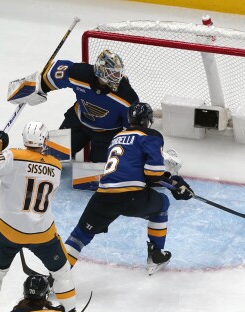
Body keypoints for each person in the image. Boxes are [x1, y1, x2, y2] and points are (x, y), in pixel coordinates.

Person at [0, 122, 90, 312]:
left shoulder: (13, 157)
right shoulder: (55, 166)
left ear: (25, 138)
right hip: (41, 233)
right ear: (44, 141)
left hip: (8, 230)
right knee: (61, 272)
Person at [63, 102, 193, 275]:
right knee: (162, 204)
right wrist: (173, 186)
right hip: (132, 198)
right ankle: (156, 255)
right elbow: (152, 174)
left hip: (102, 197)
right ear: (148, 120)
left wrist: (171, 182)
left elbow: (132, 170)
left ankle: (56, 277)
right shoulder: (151, 135)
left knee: (79, 236)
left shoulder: (117, 137)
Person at [8, 49, 139, 162]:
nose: (117, 77)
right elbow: (52, 75)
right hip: (78, 121)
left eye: (118, 73)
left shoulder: (127, 97)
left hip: (107, 133)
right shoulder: (80, 73)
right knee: (52, 156)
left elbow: (132, 130)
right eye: (113, 73)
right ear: (100, 70)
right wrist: (37, 88)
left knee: (102, 169)